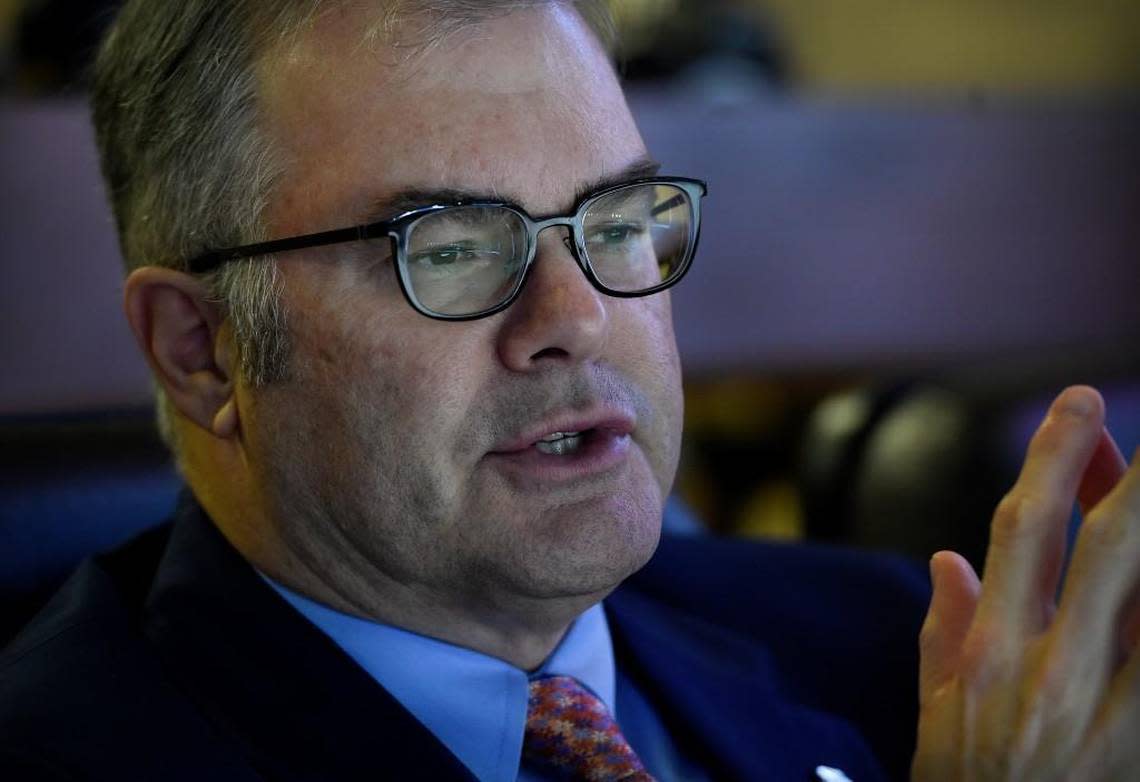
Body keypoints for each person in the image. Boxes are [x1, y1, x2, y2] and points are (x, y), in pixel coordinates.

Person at [1, 1, 1137, 780]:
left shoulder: (899, 650)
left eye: (619, 222)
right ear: (199, 348)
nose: (578, 314)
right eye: (446, 246)